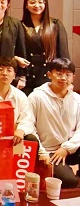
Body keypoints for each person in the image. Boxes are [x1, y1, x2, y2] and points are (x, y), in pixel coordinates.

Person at [29, 58, 80, 188]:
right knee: (69, 181)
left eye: (67, 74)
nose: (63, 78)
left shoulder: (77, 99)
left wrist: (66, 148)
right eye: (59, 73)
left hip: (70, 148)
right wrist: (42, 152)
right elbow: (29, 127)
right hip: (49, 151)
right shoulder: (36, 97)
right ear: (49, 74)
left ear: (73, 77)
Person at [21, 0, 70, 95]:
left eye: (40, 2)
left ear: (45, 4)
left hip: (49, 76)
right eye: (32, 2)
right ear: (26, 5)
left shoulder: (55, 25)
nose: (36, 5)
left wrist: (66, 78)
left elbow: (64, 55)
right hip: (28, 77)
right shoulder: (20, 25)